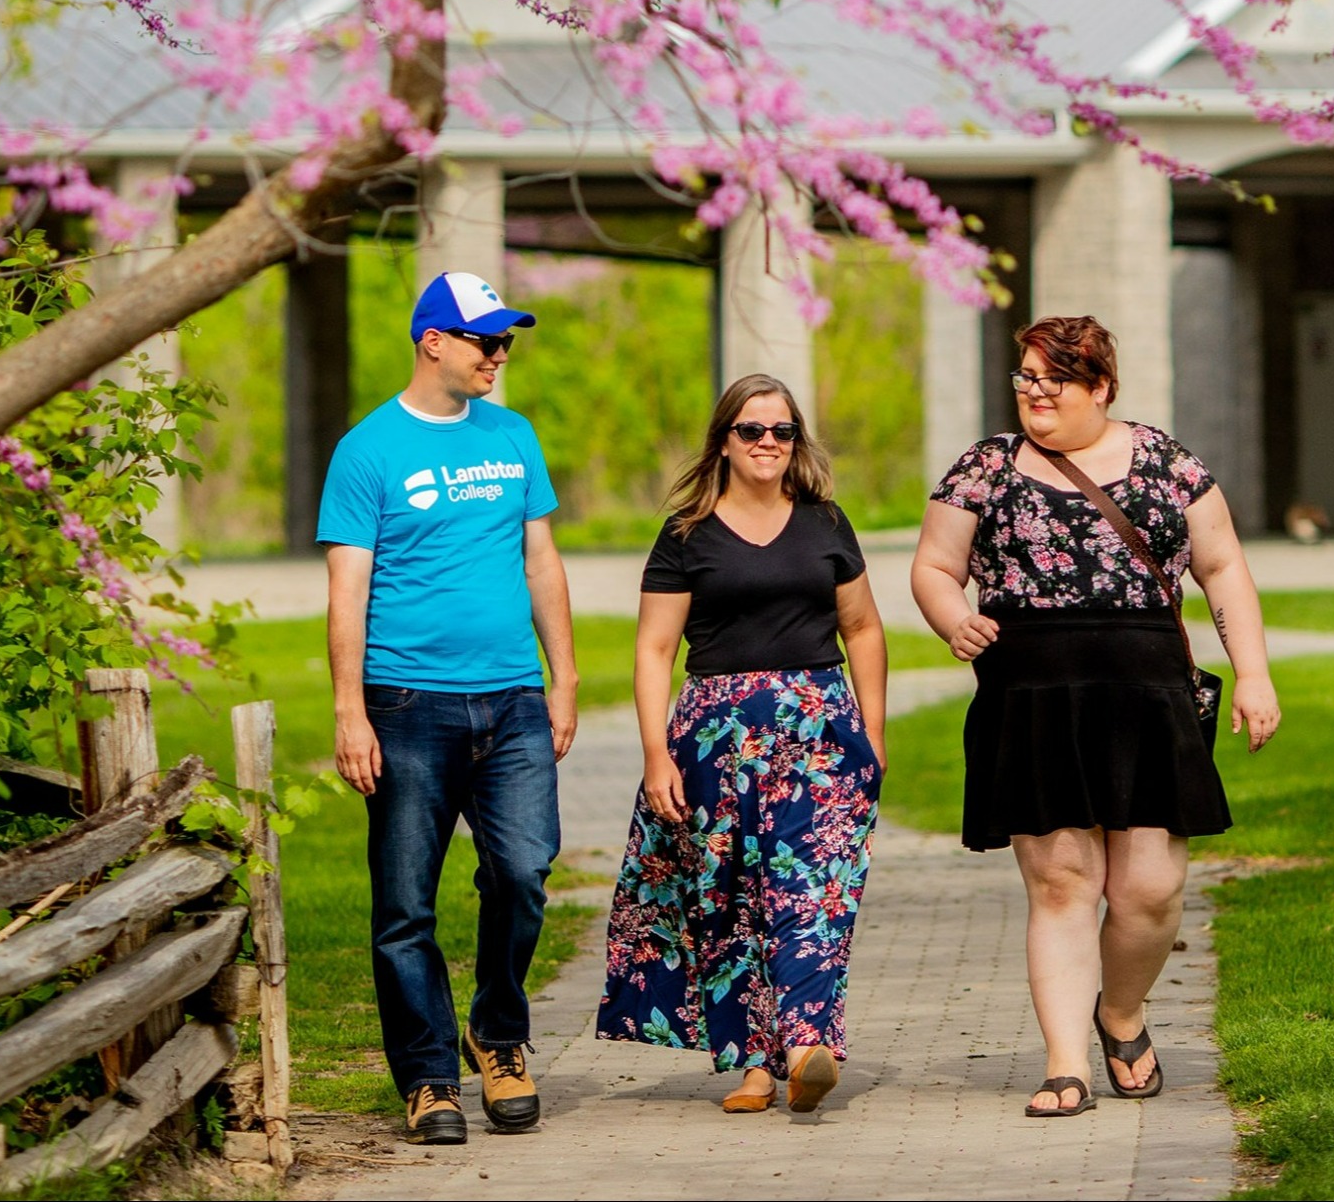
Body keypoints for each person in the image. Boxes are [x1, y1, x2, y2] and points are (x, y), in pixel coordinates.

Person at [910, 316, 1280, 1118]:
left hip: (1146, 694)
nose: (1035, 393)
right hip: (1033, 698)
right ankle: (1064, 1064)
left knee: (1149, 889)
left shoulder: (1166, 463)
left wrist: (1252, 673)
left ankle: (1119, 1012)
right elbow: (935, 565)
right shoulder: (984, 468)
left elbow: (1221, 569)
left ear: (1100, 387)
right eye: (1025, 378)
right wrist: (951, 618)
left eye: (1054, 380)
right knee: (1062, 885)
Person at [317, 271, 579, 1146]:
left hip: (511, 702)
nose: (500, 356)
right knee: (404, 908)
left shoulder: (515, 436)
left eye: (506, 342)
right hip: (405, 706)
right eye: (485, 342)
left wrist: (564, 678)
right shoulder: (368, 450)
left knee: (523, 873)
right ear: (433, 341)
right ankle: (428, 1079)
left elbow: (541, 562)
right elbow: (346, 592)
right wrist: (350, 712)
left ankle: (496, 1037)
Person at [596, 373, 887, 1116]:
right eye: (751, 431)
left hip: (818, 736)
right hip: (713, 742)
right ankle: (755, 1065)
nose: (767, 444)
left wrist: (872, 735)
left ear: (796, 442)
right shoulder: (686, 533)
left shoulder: (824, 522)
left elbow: (862, 629)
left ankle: (807, 1044)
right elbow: (653, 649)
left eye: (781, 431)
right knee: (727, 902)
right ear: (723, 441)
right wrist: (656, 755)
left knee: (813, 893)